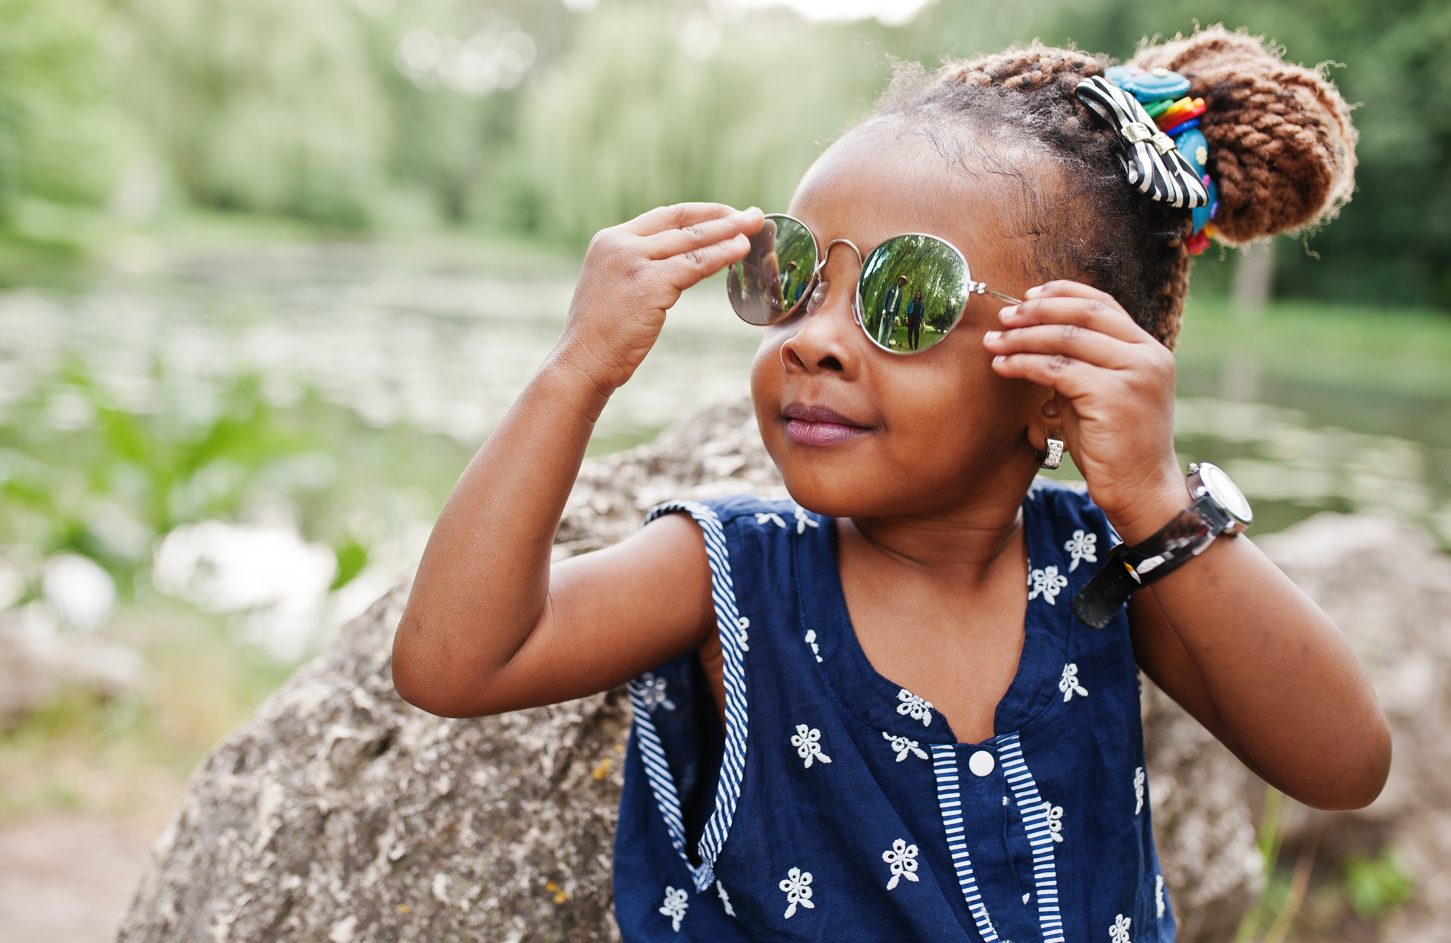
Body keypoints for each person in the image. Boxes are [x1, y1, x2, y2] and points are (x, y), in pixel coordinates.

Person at [391, 26, 1389, 942]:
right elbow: (457, 661)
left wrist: (1154, 505)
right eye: (790, 279)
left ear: (1054, 380)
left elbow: (1341, 764)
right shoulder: (729, 573)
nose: (815, 340)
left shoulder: (1109, 569)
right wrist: (576, 370)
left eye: (903, 300)